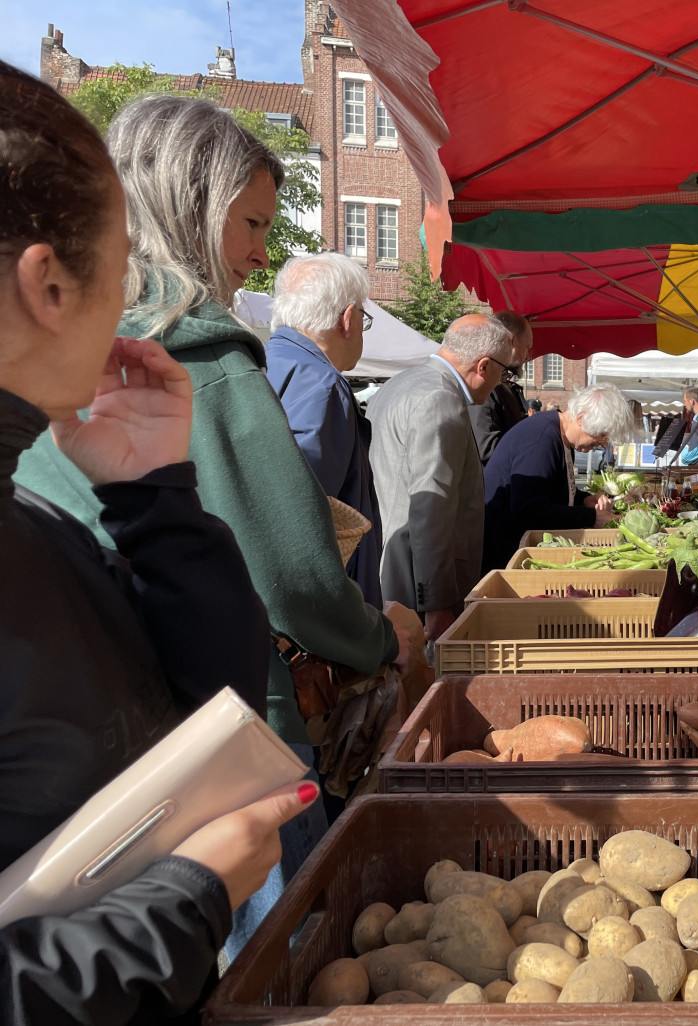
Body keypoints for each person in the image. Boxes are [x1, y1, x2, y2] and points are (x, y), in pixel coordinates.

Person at [14, 94, 411, 956]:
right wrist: (380, 641)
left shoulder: (78, 356)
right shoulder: (203, 353)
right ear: (191, 206)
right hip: (227, 745)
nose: (264, 253)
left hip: (102, 764)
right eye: (253, 222)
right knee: (279, 966)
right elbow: (293, 577)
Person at [0, 60, 318, 1025]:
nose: (139, 292)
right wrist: (183, 903)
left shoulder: (31, 513)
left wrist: (155, 495)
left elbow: (192, 702)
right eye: (123, 255)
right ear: (49, 283)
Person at [368, 313, 514, 641]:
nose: (500, 382)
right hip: (414, 587)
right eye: (504, 371)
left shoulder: (399, 384)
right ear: (484, 366)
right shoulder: (441, 398)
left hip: (390, 567)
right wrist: (436, 604)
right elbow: (430, 505)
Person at [265, 252, 383, 606]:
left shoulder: (264, 362)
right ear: (347, 320)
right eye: (365, 317)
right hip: (328, 614)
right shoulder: (322, 384)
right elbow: (308, 525)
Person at [482, 383, 636, 573]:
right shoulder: (542, 441)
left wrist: (584, 499)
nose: (603, 445)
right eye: (602, 436)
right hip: (503, 553)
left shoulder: (561, 437)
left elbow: (550, 489)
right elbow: (529, 511)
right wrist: (591, 517)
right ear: (581, 418)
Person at [470, 310, 533, 463]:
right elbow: (486, 448)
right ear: (512, 341)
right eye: (526, 347)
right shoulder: (488, 381)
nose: (527, 355)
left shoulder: (506, 385)